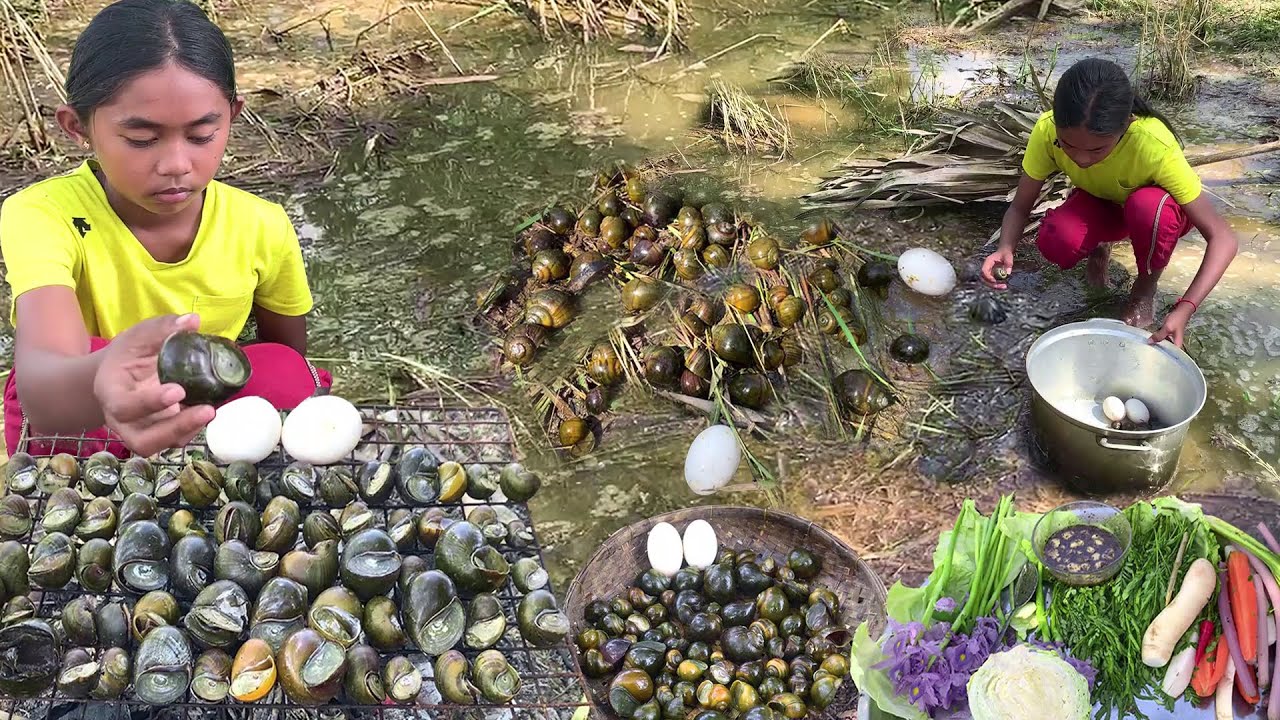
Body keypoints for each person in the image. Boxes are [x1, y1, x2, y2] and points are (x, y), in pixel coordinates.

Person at [0, 0, 332, 459]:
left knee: (285, 370)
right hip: (87, 402)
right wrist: (105, 381)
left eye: (201, 136)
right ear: (78, 128)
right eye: (141, 140)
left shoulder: (263, 225)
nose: (176, 165)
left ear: (232, 116)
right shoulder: (42, 213)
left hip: (201, 402)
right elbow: (44, 389)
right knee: (52, 394)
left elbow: (285, 360)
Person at [981, 57, 1238, 347]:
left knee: (1147, 208)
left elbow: (1223, 238)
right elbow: (1019, 207)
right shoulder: (1047, 130)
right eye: (1068, 145)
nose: (1081, 158)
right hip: (1104, 202)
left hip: (1157, 215)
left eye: (1097, 149)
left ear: (1126, 125)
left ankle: (1145, 286)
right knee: (1057, 238)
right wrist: (1005, 247)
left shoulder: (1153, 144)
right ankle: (1099, 248)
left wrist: (1186, 307)